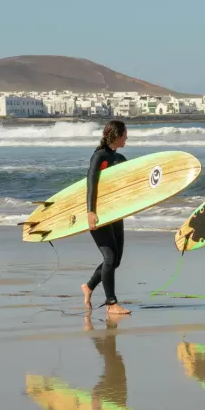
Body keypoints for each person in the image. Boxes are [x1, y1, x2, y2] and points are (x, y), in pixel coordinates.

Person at [81, 120, 131, 314]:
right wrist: (90, 212)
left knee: (115, 260)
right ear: (116, 135)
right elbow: (91, 184)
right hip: (99, 213)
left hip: (115, 212)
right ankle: (111, 303)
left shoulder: (120, 158)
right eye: (125, 133)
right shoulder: (99, 156)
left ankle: (89, 286)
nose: (127, 137)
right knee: (109, 257)